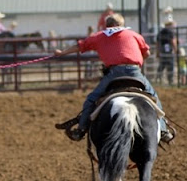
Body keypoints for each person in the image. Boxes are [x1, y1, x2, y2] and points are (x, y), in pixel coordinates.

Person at [53, 13, 175, 143]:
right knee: (154, 96)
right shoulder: (133, 34)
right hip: (134, 72)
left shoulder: (100, 36)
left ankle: (81, 129)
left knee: (91, 99)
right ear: (122, 24)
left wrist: (62, 53)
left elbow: (80, 46)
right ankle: (162, 130)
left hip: (114, 73)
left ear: (106, 25)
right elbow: (147, 53)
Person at [156, 19, 177, 85]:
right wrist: (176, 50)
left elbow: (157, 44)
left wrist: (158, 52)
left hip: (163, 52)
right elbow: (173, 42)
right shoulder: (171, 33)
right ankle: (170, 80)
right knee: (170, 67)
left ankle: (158, 79)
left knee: (162, 66)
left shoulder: (160, 32)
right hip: (169, 52)